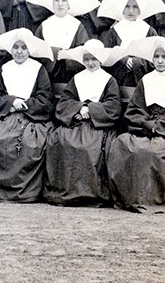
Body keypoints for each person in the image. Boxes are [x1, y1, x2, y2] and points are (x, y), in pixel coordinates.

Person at [106, 38, 165, 213]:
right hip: (146, 128)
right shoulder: (145, 80)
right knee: (122, 144)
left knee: (153, 152)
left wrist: (160, 125)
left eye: (164, 56)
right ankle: (132, 198)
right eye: (156, 56)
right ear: (152, 59)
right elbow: (134, 109)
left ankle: (154, 200)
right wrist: (148, 124)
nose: (160, 60)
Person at [0, 29, 55, 202]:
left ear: (29, 50)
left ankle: (26, 191)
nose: (19, 51)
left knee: (28, 142)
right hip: (7, 115)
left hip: (30, 118)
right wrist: (11, 102)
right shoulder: (4, 69)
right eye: (15, 47)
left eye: (23, 48)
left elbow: (45, 99)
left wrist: (25, 105)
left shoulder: (38, 70)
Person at [44, 40, 123, 206]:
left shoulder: (109, 80)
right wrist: (79, 109)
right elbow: (64, 102)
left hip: (97, 126)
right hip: (76, 122)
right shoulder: (77, 79)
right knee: (61, 140)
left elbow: (113, 106)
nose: (90, 63)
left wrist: (91, 111)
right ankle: (67, 191)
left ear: (100, 59)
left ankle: (90, 194)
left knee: (88, 147)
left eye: (94, 59)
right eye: (87, 59)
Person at [25, 0, 98, 84]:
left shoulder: (77, 25)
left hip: (71, 73)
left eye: (64, 0)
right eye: (56, 0)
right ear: (51, 4)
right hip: (48, 74)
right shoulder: (44, 25)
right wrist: (55, 52)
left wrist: (67, 56)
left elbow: (82, 51)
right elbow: (36, 50)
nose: (60, 4)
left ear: (69, 4)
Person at [97, 0, 165, 88]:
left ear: (140, 9)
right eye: (127, 6)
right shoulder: (114, 31)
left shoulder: (149, 31)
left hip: (144, 78)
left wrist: (136, 63)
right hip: (120, 79)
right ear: (122, 9)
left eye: (135, 7)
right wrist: (123, 60)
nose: (131, 11)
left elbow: (156, 56)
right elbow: (106, 56)